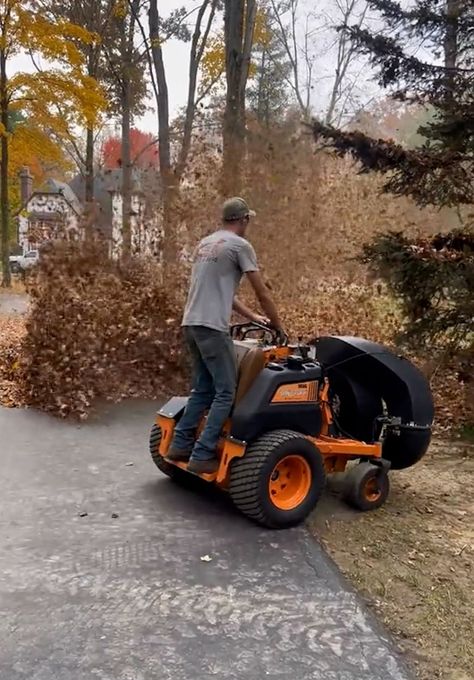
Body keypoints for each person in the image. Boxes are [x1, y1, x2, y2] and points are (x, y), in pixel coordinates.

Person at [167, 196, 284, 474]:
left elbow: (222, 293)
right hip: (211, 327)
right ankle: (203, 453)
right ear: (243, 220)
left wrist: (253, 318)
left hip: (191, 324)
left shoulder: (205, 244)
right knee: (226, 392)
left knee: (203, 388)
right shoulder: (240, 246)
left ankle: (180, 444)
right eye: (248, 220)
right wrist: (279, 326)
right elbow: (262, 292)